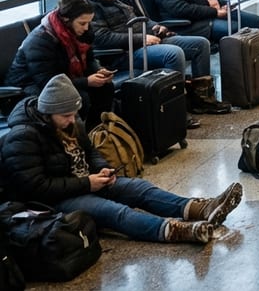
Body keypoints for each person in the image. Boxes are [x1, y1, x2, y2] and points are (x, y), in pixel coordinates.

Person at [0, 74, 243, 244]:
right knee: (116, 212)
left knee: (140, 188)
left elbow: (90, 151)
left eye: (74, 114)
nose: (73, 121)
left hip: (85, 183)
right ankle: (174, 230)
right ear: (47, 113)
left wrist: (103, 169)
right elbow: (34, 187)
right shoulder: (22, 138)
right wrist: (88, 184)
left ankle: (199, 208)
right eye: (66, 116)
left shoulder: (72, 122)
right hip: (54, 200)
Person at [83, 0, 228, 118]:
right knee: (173, 54)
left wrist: (156, 27)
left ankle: (201, 99)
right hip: (126, 52)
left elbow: (144, 20)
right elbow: (103, 38)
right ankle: (175, 109)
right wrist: (142, 39)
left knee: (200, 44)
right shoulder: (90, 9)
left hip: (150, 40)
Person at [6, 0, 114, 130]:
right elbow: (47, 81)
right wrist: (86, 81)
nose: (87, 27)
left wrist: (98, 70)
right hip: (28, 87)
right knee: (78, 98)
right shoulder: (40, 41)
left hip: (62, 78)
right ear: (66, 19)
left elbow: (90, 58)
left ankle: (95, 133)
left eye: (89, 22)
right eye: (82, 23)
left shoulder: (80, 31)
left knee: (105, 88)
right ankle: (74, 139)